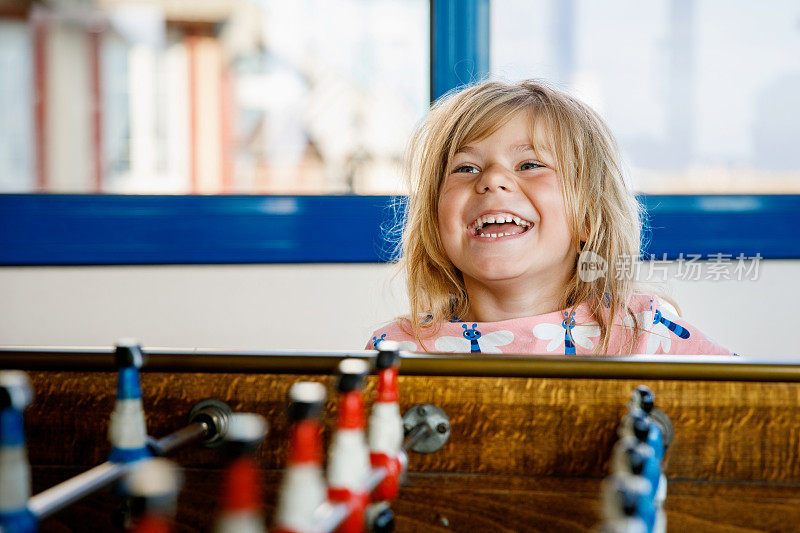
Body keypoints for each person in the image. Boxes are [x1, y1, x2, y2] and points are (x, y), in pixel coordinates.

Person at [365, 79, 733, 356]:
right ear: (434, 222)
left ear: (589, 218)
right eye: (465, 167)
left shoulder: (643, 333)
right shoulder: (397, 351)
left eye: (529, 164)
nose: (492, 179)